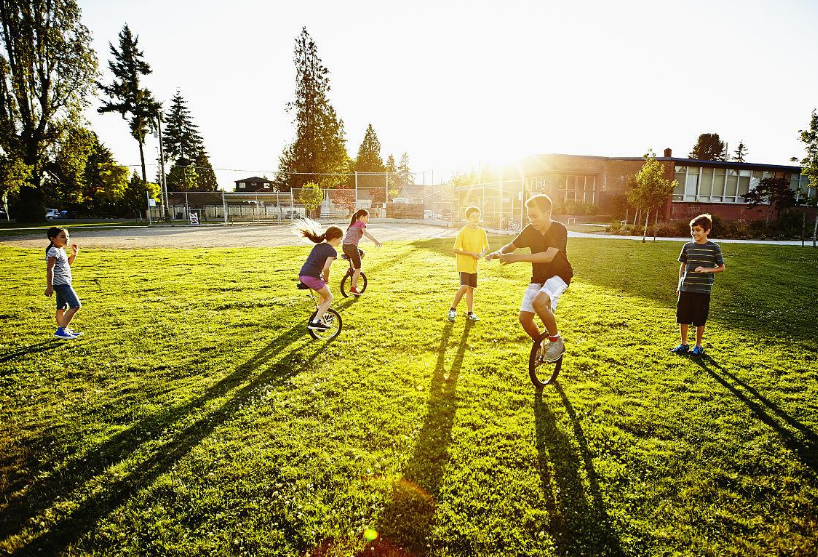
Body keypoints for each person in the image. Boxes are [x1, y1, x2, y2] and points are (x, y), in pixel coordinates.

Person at [485, 194, 572, 362]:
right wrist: (499, 253)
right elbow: (511, 246)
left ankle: (556, 340)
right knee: (524, 319)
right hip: (538, 277)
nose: (532, 220)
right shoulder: (530, 230)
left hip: (559, 275)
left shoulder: (559, 229)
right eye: (529, 216)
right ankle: (540, 345)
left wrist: (515, 258)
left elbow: (548, 256)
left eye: (535, 216)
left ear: (548, 212)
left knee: (538, 303)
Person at [671, 213, 725, 356]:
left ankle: (698, 346)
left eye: (698, 230)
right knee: (683, 317)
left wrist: (707, 269)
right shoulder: (687, 246)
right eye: (693, 230)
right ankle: (683, 344)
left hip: (703, 290)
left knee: (700, 318)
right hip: (686, 288)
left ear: (707, 231)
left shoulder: (714, 248)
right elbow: (682, 266)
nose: (694, 233)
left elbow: (722, 267)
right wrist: (679, 284)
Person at [296, 220, 344, 331]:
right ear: (335, 238)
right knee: (329, 297)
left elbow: (314, 262)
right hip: (312, 276)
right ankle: (316, 321)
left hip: (303, 275)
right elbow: (326, 268)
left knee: (324, 291)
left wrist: (323, 278)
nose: (340, 242)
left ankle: (321, 313)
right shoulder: (332, 251)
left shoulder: (318, 246)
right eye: (341, 239)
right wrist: (326, 277)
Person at [448, 206, 490, 322]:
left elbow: (487, 248)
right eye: (472, 217)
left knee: (470, 289)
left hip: (474, 265)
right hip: (463, 264)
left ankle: (470, 313)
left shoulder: (482, 232)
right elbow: (455, 249)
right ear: (468, 218)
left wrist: (481, 254)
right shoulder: (463, 232)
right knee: (464, 287)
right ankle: (452, 310)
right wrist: (471, 254)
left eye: (477, 216)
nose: (475, 219)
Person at [44, 227, 83, 339]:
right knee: (75, 305)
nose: (66, 239)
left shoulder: (59, 249)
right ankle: (61, 330)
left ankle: (63, 329)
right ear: (53, 239)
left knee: (61, 308)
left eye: (67, 236)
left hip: (62, 282)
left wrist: (74, 254)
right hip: (61, 284)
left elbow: (66, 265)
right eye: (62, 236)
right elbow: (49, 269)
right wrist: (49, 287)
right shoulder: (53, 251)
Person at [342, 209, 382, 296]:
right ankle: (353, 288)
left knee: (362, 253)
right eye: (367, 217)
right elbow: (366, 233)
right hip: (352, 247)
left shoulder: (353, 224)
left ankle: (351, 269)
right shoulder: (361, 224)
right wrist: (376, 241)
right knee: (358, 268)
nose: (368, 219)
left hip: (345, 246)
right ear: (362, 217)